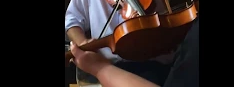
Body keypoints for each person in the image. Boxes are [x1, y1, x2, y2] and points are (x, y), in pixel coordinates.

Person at [70, 18, 199, 87]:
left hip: (147, 67)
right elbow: (71, 20)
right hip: (112, 69)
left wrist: (99, 68)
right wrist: (82, 42)